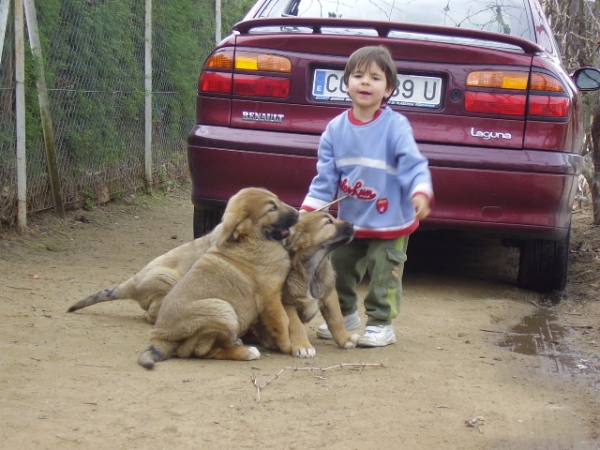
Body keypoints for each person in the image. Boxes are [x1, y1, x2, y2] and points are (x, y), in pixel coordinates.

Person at [300, 45, 433, 347]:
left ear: (388, 89)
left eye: (375, 78)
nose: (365, 82)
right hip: (351, 221)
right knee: (338, 269)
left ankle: (381, 323)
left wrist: (420, 191)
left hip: (392, 220)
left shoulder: (395, 126)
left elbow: (412, 163)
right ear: (345, 83)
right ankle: (345, 315)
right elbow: (325, 180)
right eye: (358, 76)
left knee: (385, 272)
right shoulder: (335, 129)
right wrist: (308, 211)